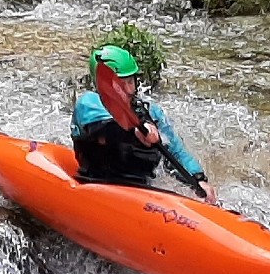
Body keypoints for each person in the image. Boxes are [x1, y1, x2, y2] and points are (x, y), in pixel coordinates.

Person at [72, 45, 217, 205]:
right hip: (97, 181)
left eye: (130, 81)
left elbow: (174, 149)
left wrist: (197, 179)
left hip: (140, 191)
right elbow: (103, 129)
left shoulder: (150, 111)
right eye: (121, 83)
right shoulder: (89, 102)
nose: (128, 88)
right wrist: (135, 132)